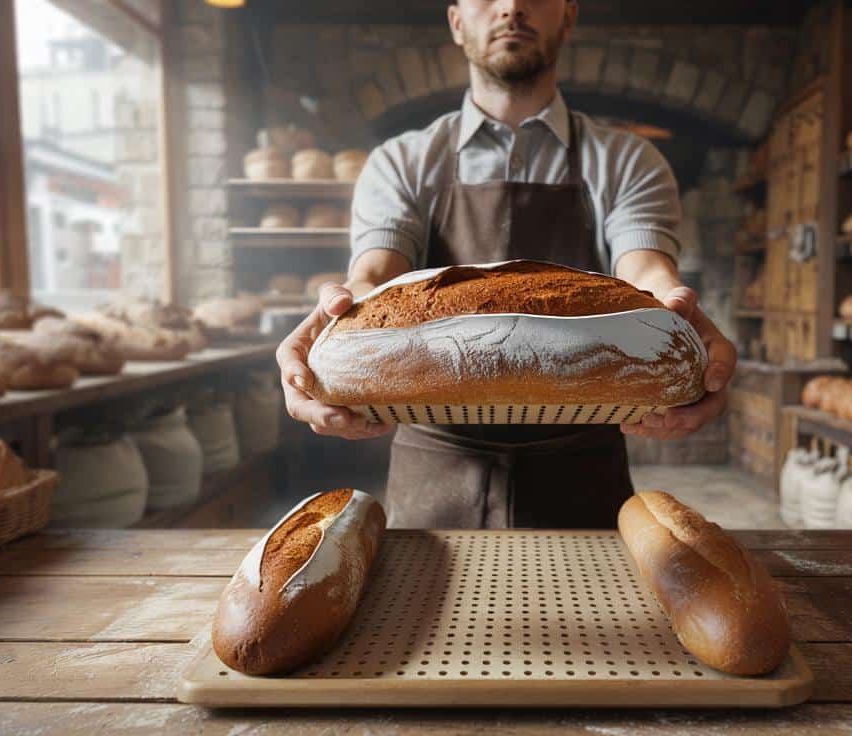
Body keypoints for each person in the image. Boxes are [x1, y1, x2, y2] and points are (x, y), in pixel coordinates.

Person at [278, 0, 736, 529]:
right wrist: (337, 316)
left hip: (583, 467)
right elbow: (377, 278)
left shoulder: (627, 160)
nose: (512, 7)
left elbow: (646, 272)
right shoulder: (403, 161)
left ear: (568, 17)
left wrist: (677, 309)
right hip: (433, 469)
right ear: (455, 21)